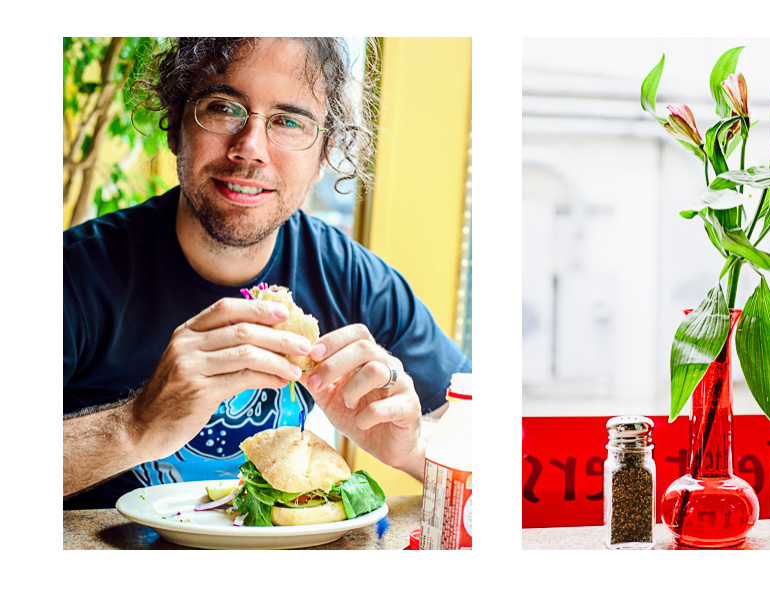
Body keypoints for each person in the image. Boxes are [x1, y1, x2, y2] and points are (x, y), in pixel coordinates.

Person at [63, 37, 471, 509]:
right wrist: (134, 425)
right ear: (176, 127)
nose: (250, 148)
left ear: (325, 155)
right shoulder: (71, 276)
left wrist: (416, 449)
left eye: (288, 121)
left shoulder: (354, 281)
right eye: (223, 108)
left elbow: (497, 450)